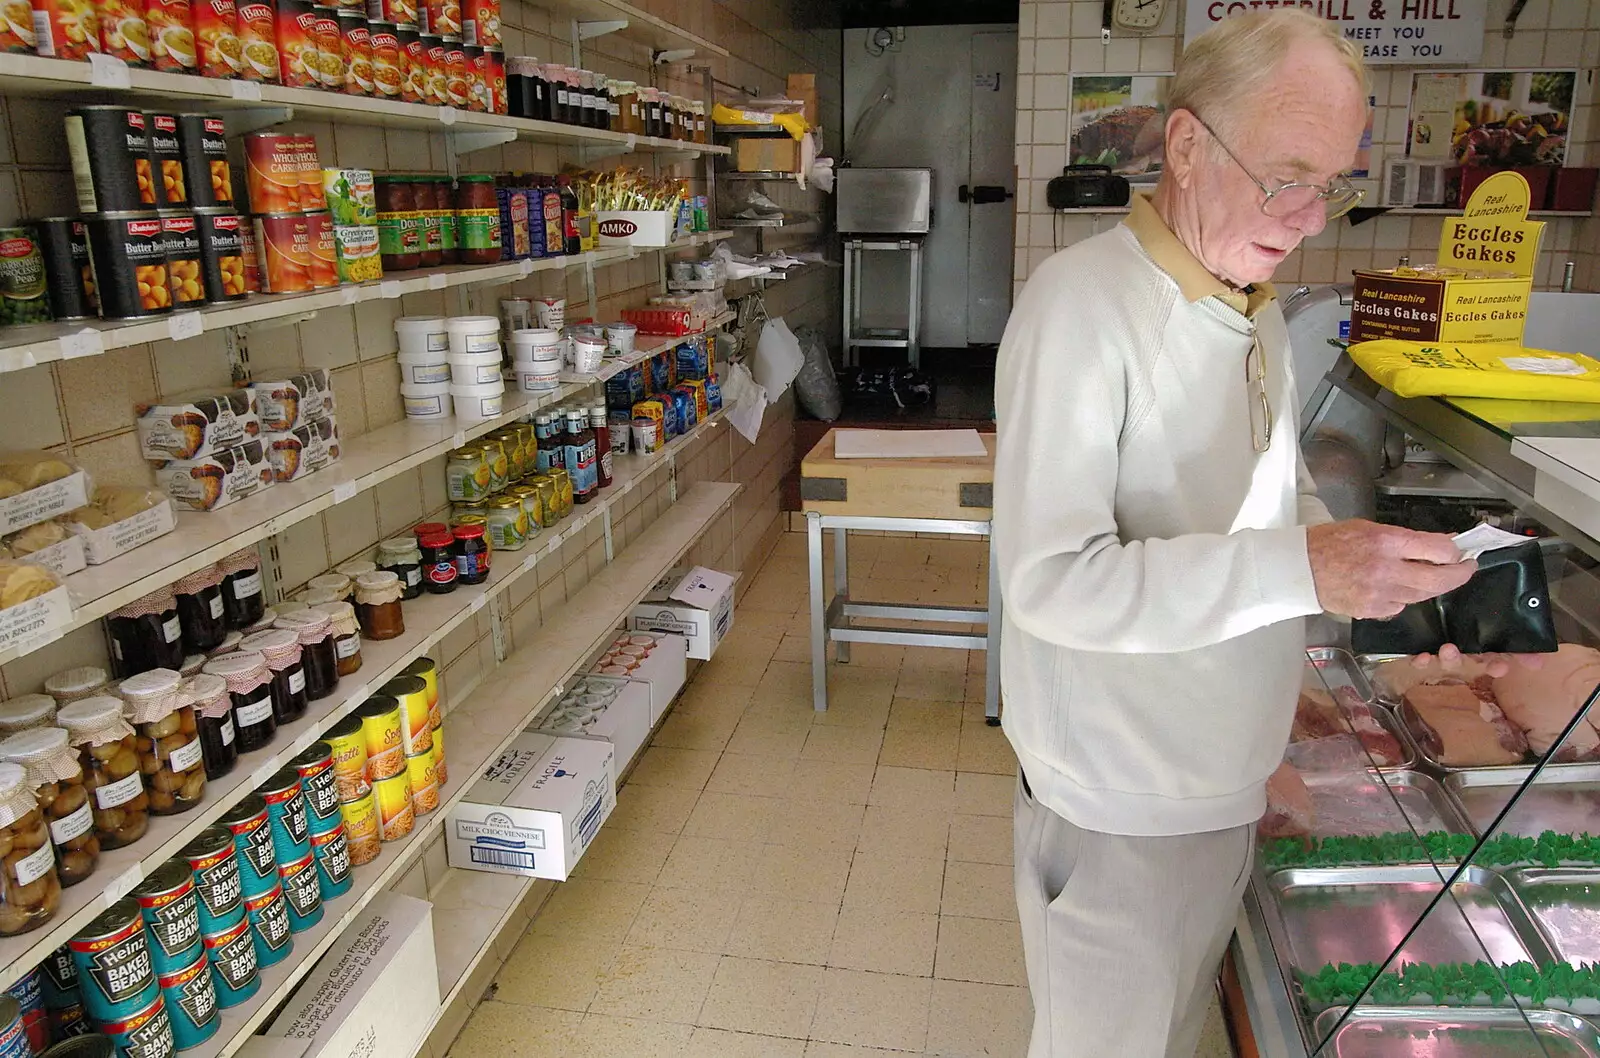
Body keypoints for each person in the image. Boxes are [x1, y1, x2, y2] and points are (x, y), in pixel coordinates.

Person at [992, 10, 1483, 1058]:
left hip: (1211, 786)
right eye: (1284, 175)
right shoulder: (1080, 308)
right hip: (1123, 809)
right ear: (1182, 146)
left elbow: (1277, 488)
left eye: (1331, 184)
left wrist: (1342, 568)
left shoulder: (1250, 302)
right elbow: (1051, 580)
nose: (1307, 216)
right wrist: (1299, 564)